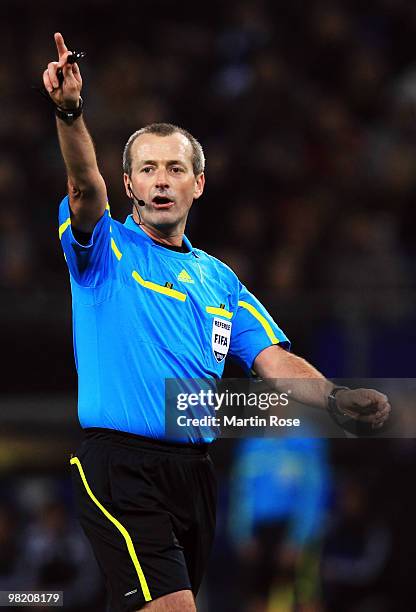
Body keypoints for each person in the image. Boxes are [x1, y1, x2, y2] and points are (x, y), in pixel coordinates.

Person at [42, 32, 391, 612]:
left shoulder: (219, 280)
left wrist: (334, 397)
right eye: (147, 169)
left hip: (195, 475)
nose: (160, 179)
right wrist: (71, 112)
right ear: (128, 185)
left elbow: (272, 359)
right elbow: (83, 186)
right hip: (120, 466)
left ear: (196, 185)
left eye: (174, 168)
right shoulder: (105, 249)